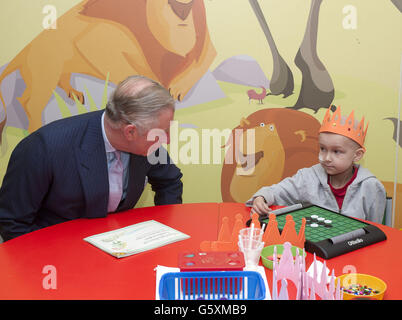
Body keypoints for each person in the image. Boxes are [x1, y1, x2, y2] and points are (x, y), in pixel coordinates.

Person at [0, 75, 183, 241]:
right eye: (162, 132)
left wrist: (164, 232)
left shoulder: (148, 144)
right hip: (59, 252)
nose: (166, 140)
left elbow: (169, 182)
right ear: (130, 132)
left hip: (119, 247)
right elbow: (13, 223)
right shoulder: (43, 149)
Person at [247, 106, 386, 224]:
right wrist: (261, 198)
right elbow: (276, 191)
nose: (326, 158)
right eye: (323, 149)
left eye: (337, 151)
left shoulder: (371, 187)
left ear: (357, 155)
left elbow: (376, 230)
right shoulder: (307, 178)